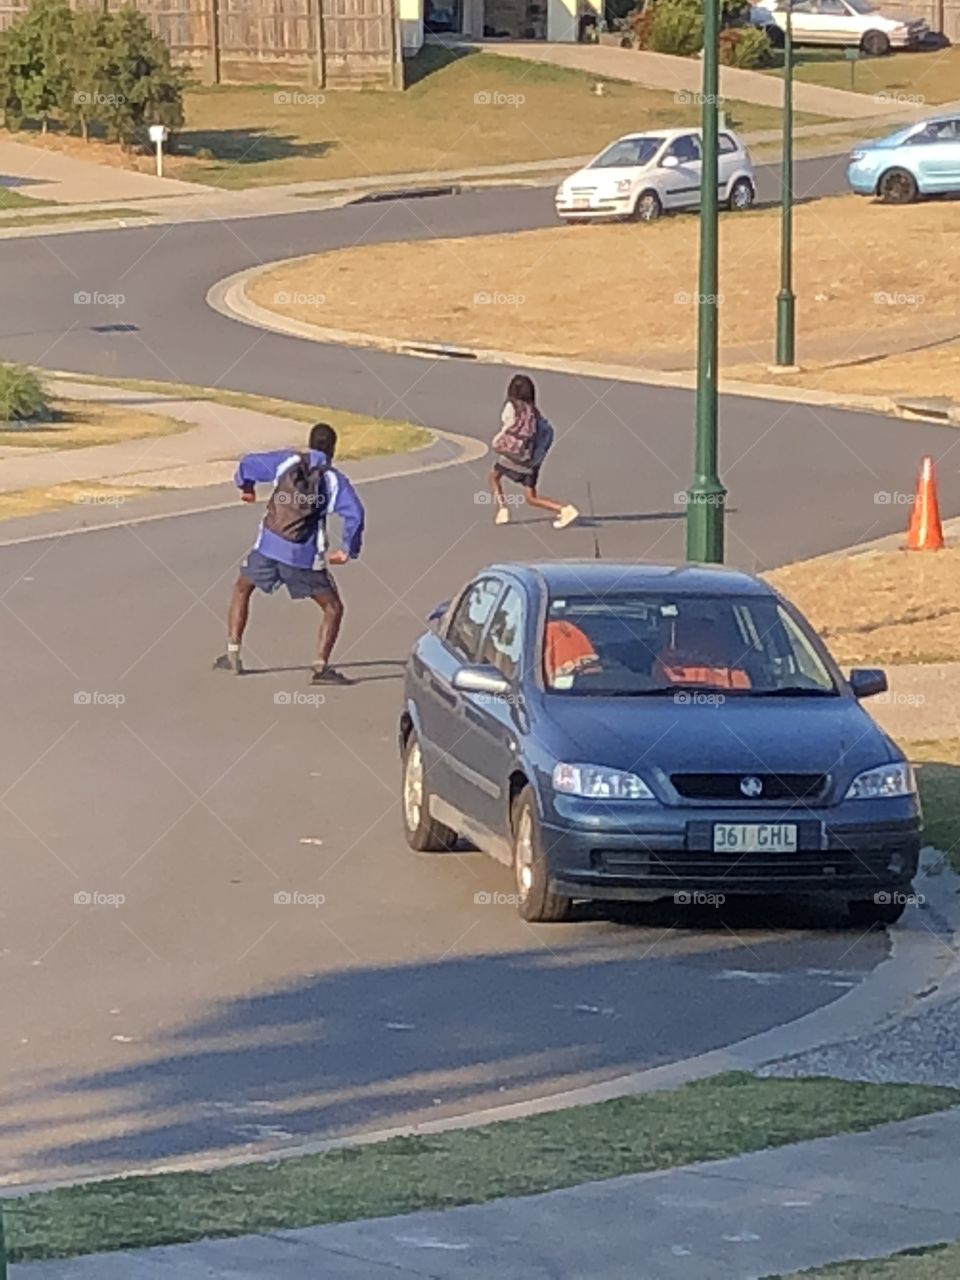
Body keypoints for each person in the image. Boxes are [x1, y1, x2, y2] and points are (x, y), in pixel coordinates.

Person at [212, 423, 365, 685]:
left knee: (242, 588)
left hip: (269, 547)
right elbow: (356, 514)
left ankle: (233, 654)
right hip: (303, 556)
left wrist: (246, 487)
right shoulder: (333, 479)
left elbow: (248, 463)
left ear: (310, 442)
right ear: (333, 449)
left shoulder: (288, 461)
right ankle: (320, 668)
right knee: (332, 607)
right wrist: (348, 550)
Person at [489, 374, 579, 530]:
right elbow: (546, 431)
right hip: (530, 459)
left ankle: (502, 508)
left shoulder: (512, 406)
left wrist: (500, 440)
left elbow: (507, 424)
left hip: (512, 455)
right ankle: (564, 509)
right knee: (531, 498)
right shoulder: (533, 411)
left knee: (494, 476)